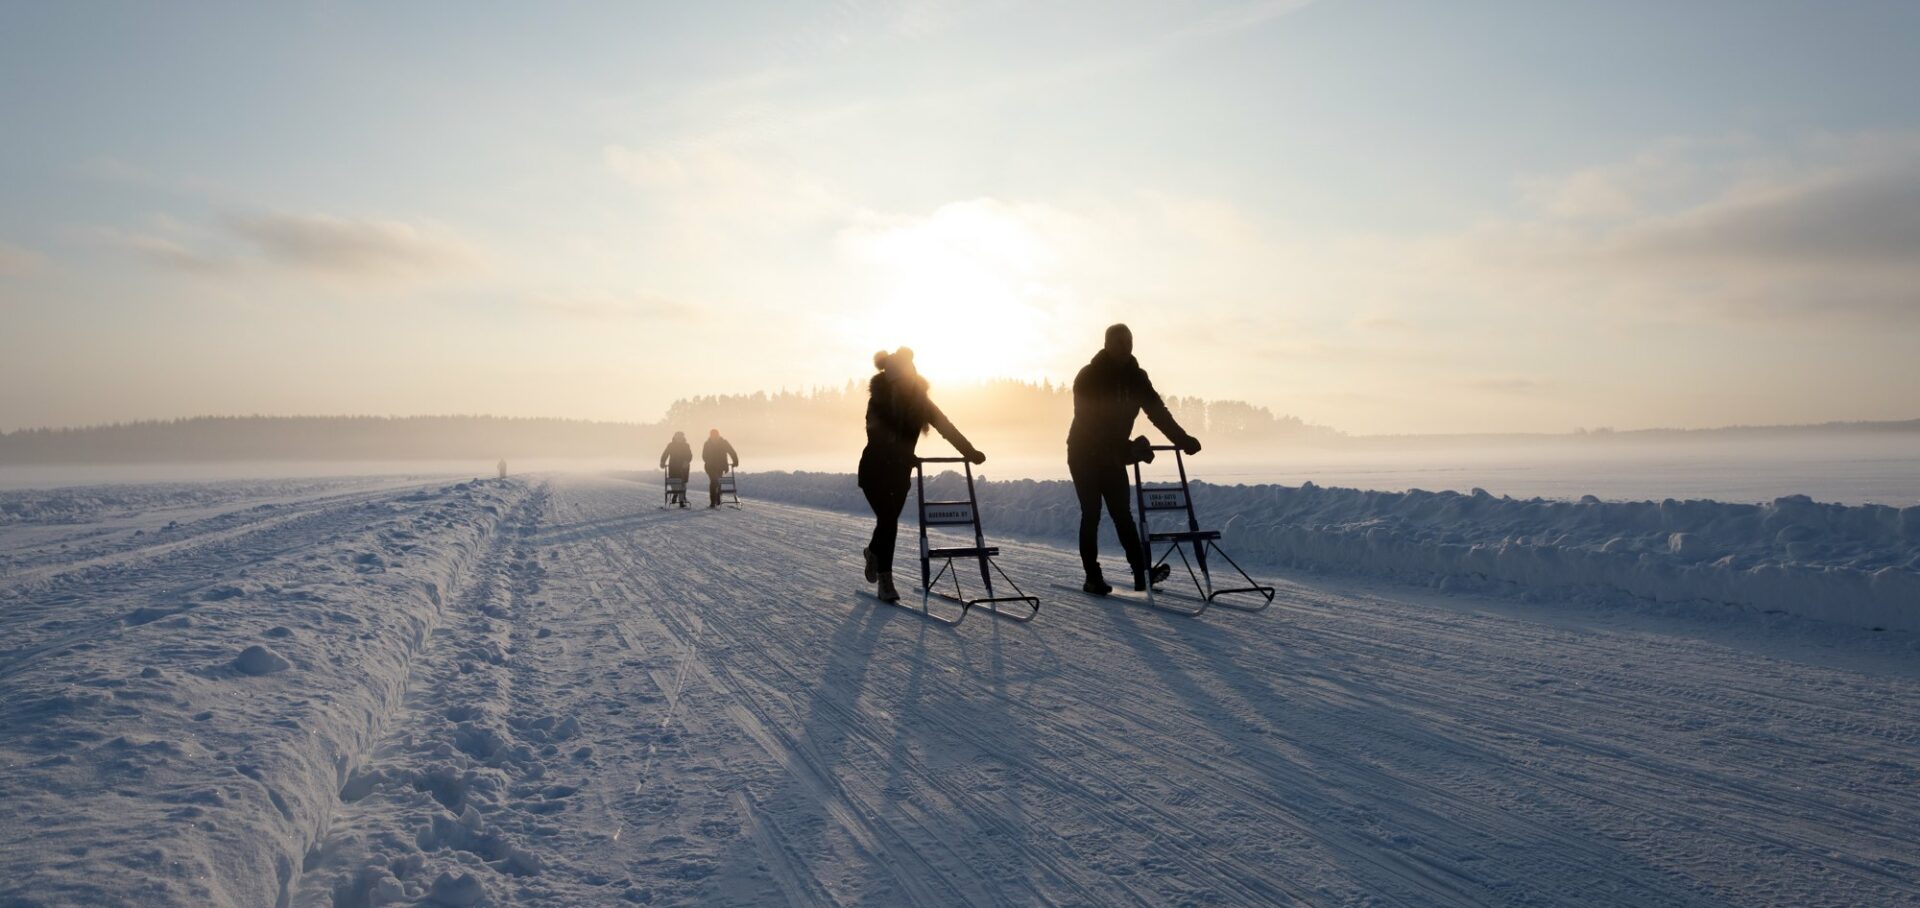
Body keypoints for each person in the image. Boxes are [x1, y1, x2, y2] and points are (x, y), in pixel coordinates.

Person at [1067, 323, 1202, 595]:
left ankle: (1142, 573)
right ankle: (1092, 577)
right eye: (1118, 343)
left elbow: (1157, 411)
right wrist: (1128, 450)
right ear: (1106, 345)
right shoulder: (1089, 376)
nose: (1124, 348)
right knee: (1091, 514)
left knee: (1122, 515)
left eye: (1128, 343)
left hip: (1114, 456)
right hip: (1084, 454)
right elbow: (1089, 423)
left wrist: (1182, 439)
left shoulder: (1137, 377)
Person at [859, 348, 985, 602]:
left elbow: (945, 426)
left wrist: (969, 451)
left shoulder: (920, 401)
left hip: (900, 472)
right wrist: (898, 453)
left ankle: (873, 552)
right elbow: (876, 433)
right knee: (888, 521)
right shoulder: (879, 399)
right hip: (875, 470)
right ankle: (886, 579)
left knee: (888, 521)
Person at [702, 429, 739, 508]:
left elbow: (731, 451)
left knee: (718, 481)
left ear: (718, 435)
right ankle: (713, 501)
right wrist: (708, 461)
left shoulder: (724, 442)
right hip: (710, 467)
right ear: (710, 436)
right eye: (713, 435)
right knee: (714, 481)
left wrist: (735, 461)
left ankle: (718, 498)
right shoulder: (707, 444)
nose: (714, 437)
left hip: (720, 466)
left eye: (715, 435)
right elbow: (704, 455)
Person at [659, 431, 693, 508]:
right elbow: (665, 454)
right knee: (673, 482)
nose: (679, 438)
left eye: (681, 437)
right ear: (675, 437)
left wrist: (687, 461)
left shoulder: (686, 445)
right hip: (673, 467)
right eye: (678, 437)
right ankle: (675, 493)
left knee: (682, 484)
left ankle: (681, 501)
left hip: (683, 468)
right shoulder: (671, 445)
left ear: (683, 438)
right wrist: (662, 462)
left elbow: (690, 455)